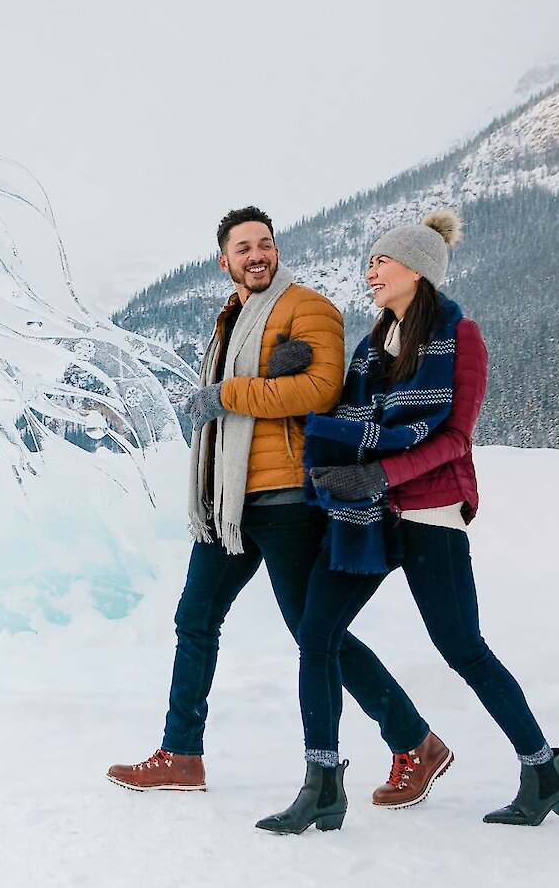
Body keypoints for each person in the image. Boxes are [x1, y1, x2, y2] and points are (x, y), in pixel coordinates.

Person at [256, 209, 559, 835]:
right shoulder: (373, 347)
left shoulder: (461, 338)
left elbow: (455, 438)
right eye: (371, 261)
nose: (370, 271)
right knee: (317, 634)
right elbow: (345, 416)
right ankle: (322, 784)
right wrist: (289, 374)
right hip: (367, 515)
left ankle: (544, 771)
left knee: (462, 648)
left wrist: (382, 476)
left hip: (429, 511)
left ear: (417, 270)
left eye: (381, 261)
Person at [108, 207, 439, 796]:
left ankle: (414, 741)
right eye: (243, 247)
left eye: (264, 243)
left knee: (315, 632)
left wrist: (229, 392)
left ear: (275, 250)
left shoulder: (307, 307)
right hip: (228, 506)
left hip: (286, 497)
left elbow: (321, 390)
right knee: (195, 619)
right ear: (225, 261)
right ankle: (181, 754)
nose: (256, 254)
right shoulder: (232, 318)